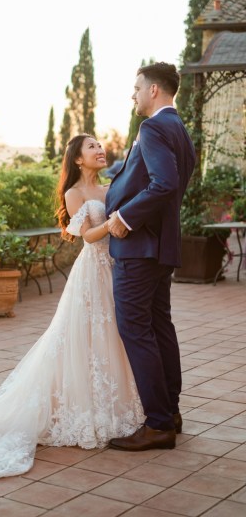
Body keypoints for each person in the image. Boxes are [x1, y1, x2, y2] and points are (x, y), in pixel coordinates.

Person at [0, 134, 144, 479]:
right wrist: (112, 223)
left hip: (115, 269)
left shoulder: (111, 187)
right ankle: (85, 412)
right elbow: (88, 236)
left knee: (114, 336)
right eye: (91, 146)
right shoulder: (74, 192)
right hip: (92, 270)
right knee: (84, 337)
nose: (99, 149)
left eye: (99, 145)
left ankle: (116, 406)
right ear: (78, 159)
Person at [105, 62, 196, 451]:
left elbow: (165, 183)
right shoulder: (181, 130)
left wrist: (125, 216)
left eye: (138, 87)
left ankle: (158, 423)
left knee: (137, 331)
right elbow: (171, 185)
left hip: (139, 247)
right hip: (161, 248)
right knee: (160, 328)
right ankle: (170, 413)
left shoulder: (153, 127)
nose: (134, 95)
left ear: (154, 90)